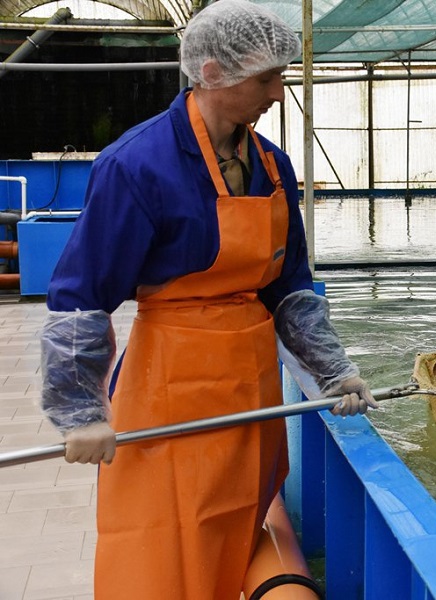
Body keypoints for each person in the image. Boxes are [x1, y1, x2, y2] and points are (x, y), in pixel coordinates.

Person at [38, 1, 376, 597]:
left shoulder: (272, 164)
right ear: (214, 73)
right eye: (267, 77)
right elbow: (81, 300)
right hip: (172, 392)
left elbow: (290, 286)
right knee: (163, 547)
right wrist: (81, 414)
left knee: (239, 522)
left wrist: (332, 370)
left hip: (249, 389)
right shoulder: (137, 165)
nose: (279, 91)